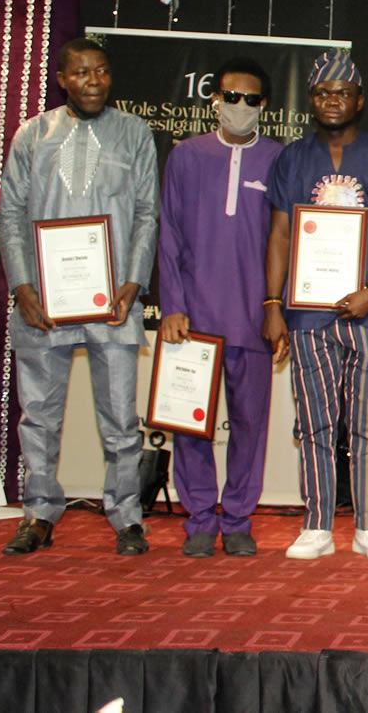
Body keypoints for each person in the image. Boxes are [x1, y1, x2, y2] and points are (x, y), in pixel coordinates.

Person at [0, 37, 159, 556]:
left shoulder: (134, 133)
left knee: (120, 417)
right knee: (39, 416)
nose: (93, 81)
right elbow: (10, 215)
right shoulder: (32, 134)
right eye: (82, 72)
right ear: (63, 78)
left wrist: (133, 282)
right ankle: (39, 512)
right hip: (44, 303)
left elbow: (146, 215)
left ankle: (127, 517)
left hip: (112, 300)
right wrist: (22, 284)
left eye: (102, 71)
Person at [262, 50, 368, 560]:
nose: (332, 102)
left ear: (360, 101)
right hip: (307, 314)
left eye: (342, 94)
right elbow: (280, 234)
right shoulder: (291, 158)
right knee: (315, 422)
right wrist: (272, 304)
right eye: (323, 93)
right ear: (312, 100)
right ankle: (317, 523)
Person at [155, 58, 284, 558]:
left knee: (250, 425)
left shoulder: (279, 160)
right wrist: (173, 306)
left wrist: (278, 312)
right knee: (192, 422)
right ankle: (200, 519)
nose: (240, 107)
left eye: (251, 100)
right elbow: (170, 235)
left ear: (264, 107)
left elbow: (287, 242)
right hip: (195, 318)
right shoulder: (186, 157)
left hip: (254, 316)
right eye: (231, 97)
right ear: (215, 99)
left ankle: (237, 519)